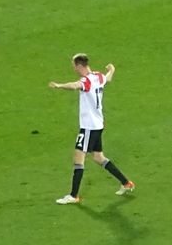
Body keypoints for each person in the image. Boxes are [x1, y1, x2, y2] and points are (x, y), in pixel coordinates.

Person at [48, 54, 134, 204]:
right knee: (98, 157)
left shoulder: (86, 81)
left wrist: (59, 86)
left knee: (78, 158)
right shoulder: (98, 76)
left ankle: (73, 196)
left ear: (79, 66)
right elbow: (108, 78)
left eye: (74, 66)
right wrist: (112, 70)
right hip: (98, 125)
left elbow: (74, 86)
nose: (73, 69)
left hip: (89, 127)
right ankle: (126, 183)